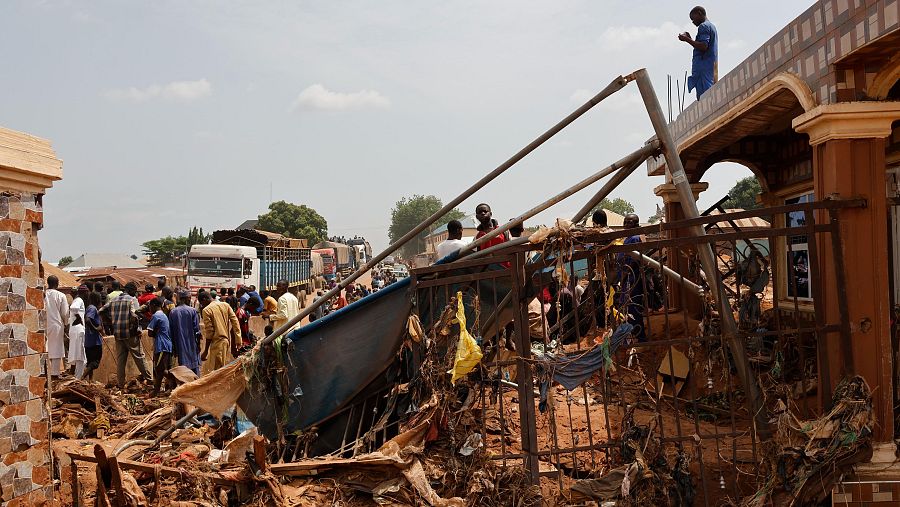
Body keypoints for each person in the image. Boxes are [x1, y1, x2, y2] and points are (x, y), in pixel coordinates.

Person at [100, 282, 152, 389]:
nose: (135, 294)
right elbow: (134, 315)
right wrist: (137, 328)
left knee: (120, 360)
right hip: (130, 333)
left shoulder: (113, 300)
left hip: (118, 334)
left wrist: (111, 321)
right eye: (134, 291)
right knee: (139, 357)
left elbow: (101, 311)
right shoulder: (131, 300)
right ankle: (150, 380)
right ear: (131, 290)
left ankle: (120, 384)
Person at [617, 213, 647, 342]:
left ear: (636, 224)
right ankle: (628, 336)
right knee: (625, 308)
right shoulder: (626, 238)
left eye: (629, 222)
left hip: (631, 279)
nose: (626, 224)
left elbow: (632, 261)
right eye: (625, 222)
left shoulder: (634, 238)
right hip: (626, 279)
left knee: (633, 308)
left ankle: (639, 337)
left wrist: (623, 278)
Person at [678, 6, 718, 99]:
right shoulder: (711, 26)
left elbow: (703, 46)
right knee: (710, 93)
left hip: (703, 68)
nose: (693, 22)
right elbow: (703, 46)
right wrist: (690, 39)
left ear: (699, 13)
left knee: (706, 98)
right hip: (710, 67)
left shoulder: (703, 26)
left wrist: (687, 40)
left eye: (693, 18)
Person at [199, 290, 242, 374]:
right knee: (222, 369)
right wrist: (238, 341)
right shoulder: (225, 305)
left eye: (201, 303)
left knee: (218, 373)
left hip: (217, 344)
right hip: (226, 343)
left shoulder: (206, 310)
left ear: (204, 299)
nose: (202, 305)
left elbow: (210, 332)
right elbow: (235, 322)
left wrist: (205, 351)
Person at [168, 289, 201, 376]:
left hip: (179, 345)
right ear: (187, 298)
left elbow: (171, 331)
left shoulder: (173, 312)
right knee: (195, 369)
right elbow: (197, 330)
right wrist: (199, 345)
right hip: (192, 344)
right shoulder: (192, 311)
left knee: (183, 370)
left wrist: (174, 348)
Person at [147, 298, 173, 396]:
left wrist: (155, 332)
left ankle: (157, 390)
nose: (149, 309)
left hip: (161, 345)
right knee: (162, 368)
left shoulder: (156, 316)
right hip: (166, 344)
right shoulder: (163, 315)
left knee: (160, 369)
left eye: (149, 306)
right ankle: (169, 386)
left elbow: (149, 332)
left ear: (153, 305)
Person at [45, 275, 69, 377]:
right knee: (56, 348)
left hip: (43, 325)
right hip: (56, 325)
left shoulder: (43, 294)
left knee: (46, 348)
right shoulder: (61, 295)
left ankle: (46, 372)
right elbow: (65, 313)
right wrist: (66, 324)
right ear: (57, 283)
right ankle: (55, 373)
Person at [67, 285, 90, 379]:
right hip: (78, 330)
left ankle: (78, 376)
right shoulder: (79, 300)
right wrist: (79, 317)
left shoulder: (77, 299)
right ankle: (78, 377)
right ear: (84, 293)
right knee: (80, 355)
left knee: (79, 355)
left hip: (76, 329)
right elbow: (73, 308)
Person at [83, 291, 104, 380]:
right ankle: (82, 377)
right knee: (95, 363)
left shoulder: (89, 307)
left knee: (90, 362)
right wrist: (95, 328)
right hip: (94, 341)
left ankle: (90, 381)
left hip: (89, 340)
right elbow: (87, 319)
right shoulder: (92, 308)